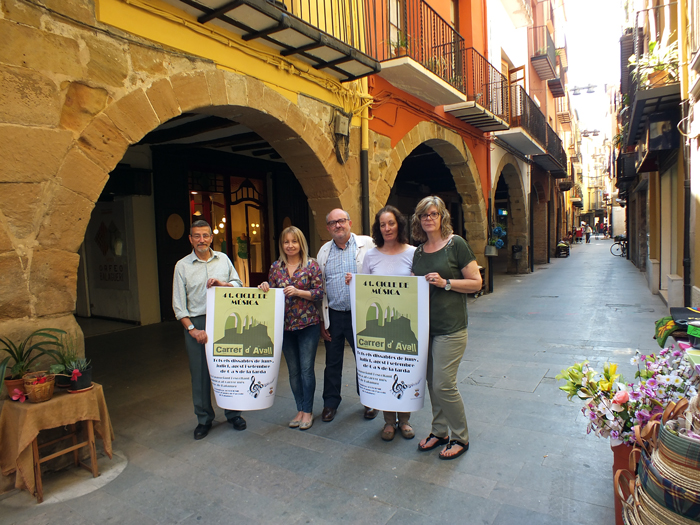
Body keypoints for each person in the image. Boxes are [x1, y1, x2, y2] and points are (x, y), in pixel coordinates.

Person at [411, 196, 482, 460]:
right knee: (432, 383)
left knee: (444, 384)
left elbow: (476, 282)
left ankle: (460, 437)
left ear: (442, 217)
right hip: (425, 328)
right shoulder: (418, 252)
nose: (428, 219)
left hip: (451, 328)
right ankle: (439, 431)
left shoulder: (456, 245)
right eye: (423, 215)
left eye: (433, 214)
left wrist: (445, 283)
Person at [173, 220, 246, 440]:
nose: (201, 240)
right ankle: (204, 419)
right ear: (190, 239)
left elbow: (238, 284)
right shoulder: (182, 266)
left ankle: (233, 413)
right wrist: (193, 330)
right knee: (200, 374)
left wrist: (223, 285)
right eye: (197, 236)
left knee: (229, 369)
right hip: (197, 323)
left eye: (205, 235)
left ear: (211, 237)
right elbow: (179, 305)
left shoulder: (223, 259)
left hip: (224, 319)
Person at [359, 205, 416, 441]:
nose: (387, 228)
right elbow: (363, 288)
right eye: (382, 224)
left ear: (399, 224)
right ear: (378, 228)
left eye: (391, 223)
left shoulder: (413, 252)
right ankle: (389, 422)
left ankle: (404, 421)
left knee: (404, 368)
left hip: (403, 324)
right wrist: (354, 281)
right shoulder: (371, 255)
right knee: (384, 370)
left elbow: (418, 284)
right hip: (381, 327)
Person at [258, 226, 323, 430]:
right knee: (293, 371)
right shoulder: (276, 267)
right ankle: (300, 409)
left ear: (300, 243)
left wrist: (298, 291)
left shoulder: (311, 265)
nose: (290, 245)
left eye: (294, 241)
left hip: (308, 325)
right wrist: (264, 288)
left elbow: (319, 293)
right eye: (286, 242)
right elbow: (271, 294)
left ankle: (308, 411)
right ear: (282, 245)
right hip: (284, 326)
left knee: (306, 370)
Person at [317, 208, 376, 423]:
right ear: (328, 228)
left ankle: (370, 400)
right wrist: (323, 319)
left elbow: (377, 273)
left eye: (341, 221)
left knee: (365, 359)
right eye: (333, 223)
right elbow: (321, 288)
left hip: (360, 313)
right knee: (332, 362)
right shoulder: (324, 251)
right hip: (334, 313)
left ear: (350, 222)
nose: (338, 225)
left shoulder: (367, 245)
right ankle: (330, 403)